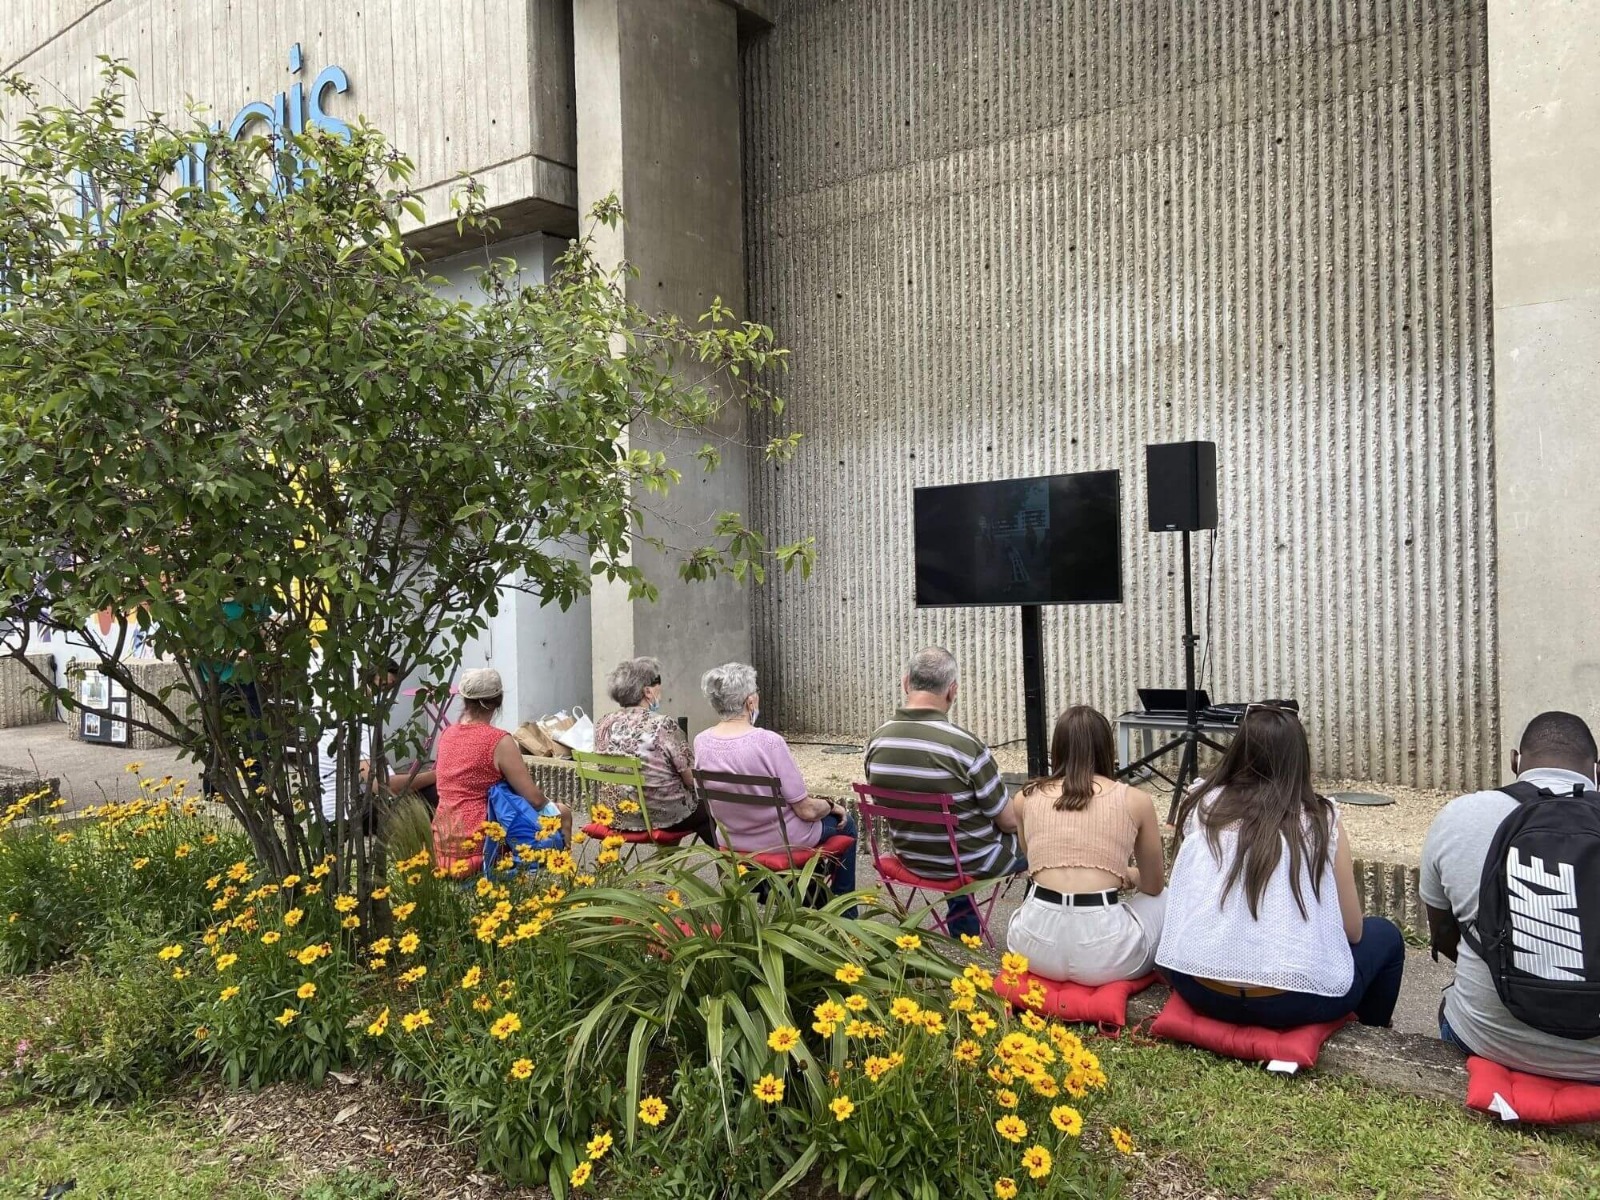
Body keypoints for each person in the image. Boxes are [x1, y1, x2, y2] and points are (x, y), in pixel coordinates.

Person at [1157, 704, 1405, 1028]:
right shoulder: (1322, 819)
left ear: (1238, 751)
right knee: (1385, 935)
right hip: (1293, 1001)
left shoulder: (1203, 803)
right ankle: (1373, 1031)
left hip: (1200, 986)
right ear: (1298, 759)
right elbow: (1353, 930)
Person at [1421, 711, 1600, 1080]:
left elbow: (1442, 932)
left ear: (1515, 761)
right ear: (1598, 770)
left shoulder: (1461, 816)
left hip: (1487, 1040)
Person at [863, 647, 1023, 940]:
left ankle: (964, 929)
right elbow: (1009, 822)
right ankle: (1039, 935)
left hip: (910, 856)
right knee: (1036, 837)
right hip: (969, 862)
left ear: (905, 682)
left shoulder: (876, 742)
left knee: (957, 832)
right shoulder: (965, 747)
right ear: (952, 691)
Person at [1005, 706, 1167, 985]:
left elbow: (1035, 864)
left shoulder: (1025, 798)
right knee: (1165, 898)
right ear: (1107, 748)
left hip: (1031, 948)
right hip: (1106, 956)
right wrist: (1126, 875)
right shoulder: (1137, 801)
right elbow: (1153, 885)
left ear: (1057, 749)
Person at [692, 662, 859, 910]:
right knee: (849, 824)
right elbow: (806, 810)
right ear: (750, 702)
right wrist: (832, 806)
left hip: (731, 840)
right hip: (783, 841)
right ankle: (844, 912)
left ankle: (780, 891)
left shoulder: (701, 741)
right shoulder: (769, 742)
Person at [432, 668, 571, 876]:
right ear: (497, 701)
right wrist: (552, 805)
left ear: (464, 699)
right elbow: (534, 799)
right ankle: (565, 879)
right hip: (482, 842)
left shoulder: (447, 734)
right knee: (564, 813)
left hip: (442, 840)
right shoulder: (498, 740)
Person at [592, 656, 715, 845]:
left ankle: (665, 868)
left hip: (616, 815)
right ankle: (733, 869)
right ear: (647, 691)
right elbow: (691, 778)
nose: (661, 687)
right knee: (712, 810)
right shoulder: (663, 725)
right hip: (661, 817)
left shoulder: (603, 724)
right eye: (657, 682)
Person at [315, 658, 437, 826]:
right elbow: (382, 785)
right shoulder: (359, 724)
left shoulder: (351, 714)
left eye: (391, 689)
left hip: (354, 806)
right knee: (434, 793)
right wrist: (435, 775)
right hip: (346, 815)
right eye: (383, 687)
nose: (386, 695)